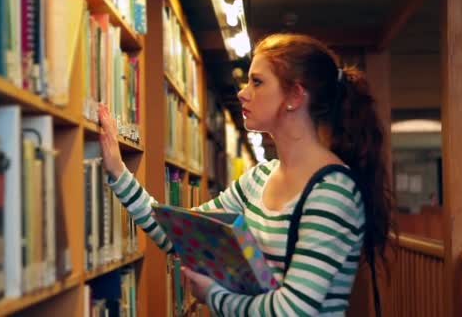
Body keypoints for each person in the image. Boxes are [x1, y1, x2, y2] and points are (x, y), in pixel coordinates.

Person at [98, 33, 392, 316]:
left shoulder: (332, 190)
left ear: (295, 96)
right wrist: (119, 173)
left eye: (257, 82)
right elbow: (177, 235)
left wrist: (214, 297)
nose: (242, 92)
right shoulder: (258, 178)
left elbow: (292, 311)